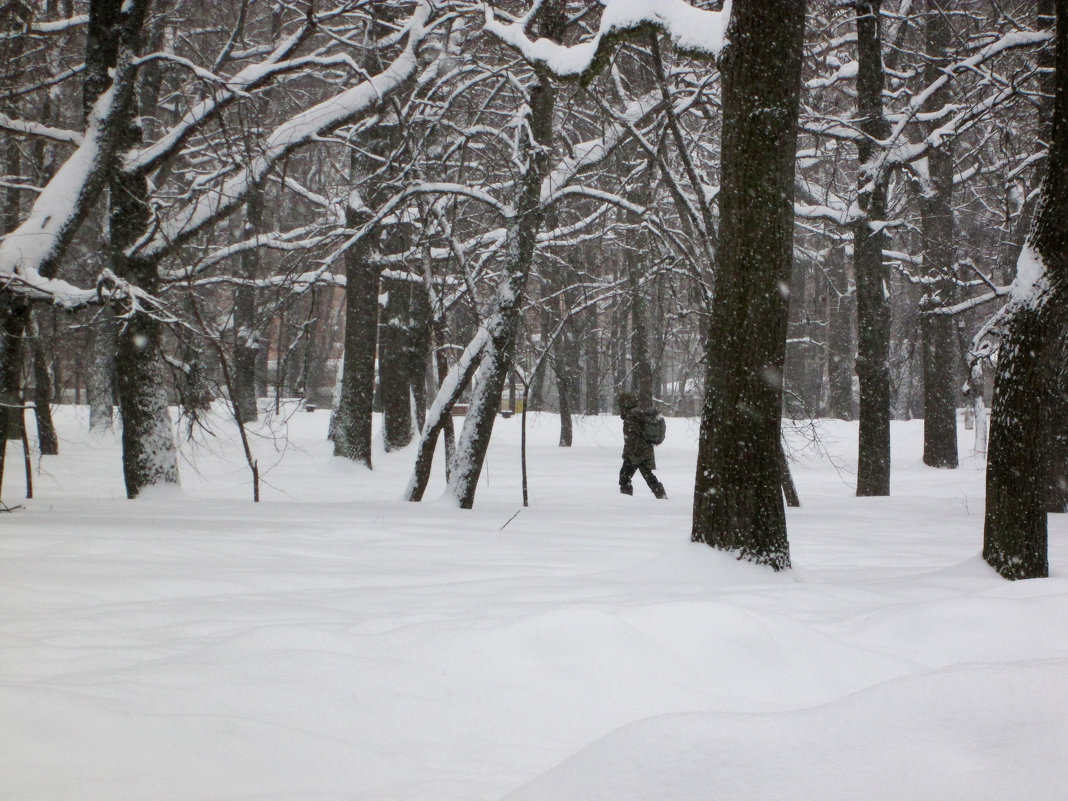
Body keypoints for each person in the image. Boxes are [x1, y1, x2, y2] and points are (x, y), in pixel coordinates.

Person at [618, 392, 667, 499]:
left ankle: (625, 500)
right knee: (648, 476)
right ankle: (661, 495)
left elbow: (633, 437)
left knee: (624, 478)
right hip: (645, 451)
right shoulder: (639, 413)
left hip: (635, 453)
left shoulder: (631, 416)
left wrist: (631, 454)